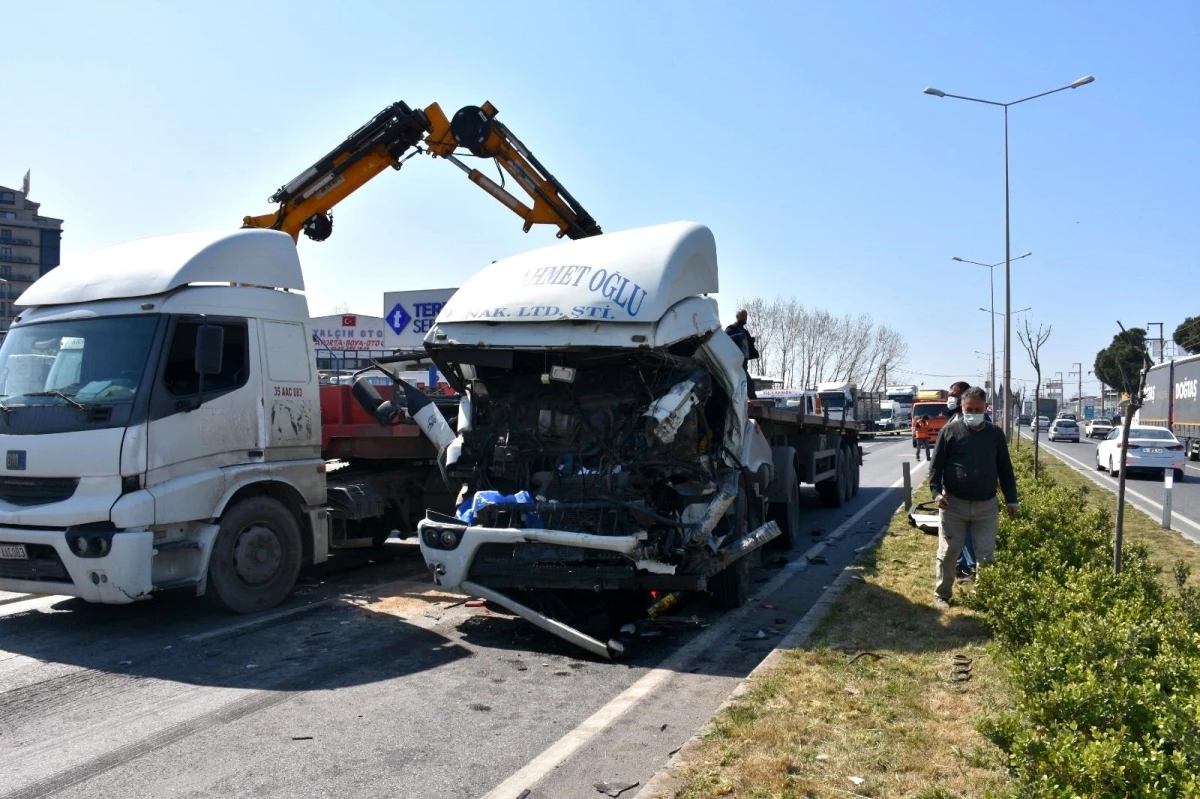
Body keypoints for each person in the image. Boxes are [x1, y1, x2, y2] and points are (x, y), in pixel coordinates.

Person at [928, 385, 1018, 609]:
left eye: (978, 409)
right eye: (970, 409)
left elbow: (1005, 470)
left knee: (985, 555)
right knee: (949, 552)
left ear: (985, 408)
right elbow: (935, 467)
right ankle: (943, 594)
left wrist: (1011, 500)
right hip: (953, 505)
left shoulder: (995, 434)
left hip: (986, 506)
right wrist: (937, 494)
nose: (974, 413)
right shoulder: (949, 432)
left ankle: (984, 595)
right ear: (962, 407)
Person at [945, 381, 977, 580]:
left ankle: (968, 567)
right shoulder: (954, 418)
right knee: (956, 532)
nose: (950, 398)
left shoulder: (975, 422)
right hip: (952, 487)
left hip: (967, 487)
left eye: (954, 394)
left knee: (964, 531)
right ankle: (961, 564)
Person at [725, 309, 760, 399]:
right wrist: (739, 336)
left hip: (744, 362)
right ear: (737, 317)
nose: (745, 318)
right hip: (736, 362)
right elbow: (725, 339)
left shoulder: (745, 331)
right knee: (748, 383)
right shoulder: (732, 328)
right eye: (743, 316)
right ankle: (754, 402)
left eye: (746, 316)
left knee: (745, 383)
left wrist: (750, 340)